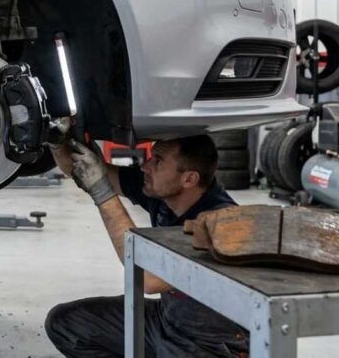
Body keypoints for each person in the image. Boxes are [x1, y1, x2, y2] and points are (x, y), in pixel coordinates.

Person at [44, 134, 249, 357]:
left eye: (158, 161)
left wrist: (103, 194)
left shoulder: (219, 224)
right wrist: (56, 140)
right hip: (166, 322)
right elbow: (81, 170)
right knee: (66, 324)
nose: (145, 167)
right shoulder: (163, 191)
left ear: (189, 179)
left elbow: (148, 280)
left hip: (210, 344)